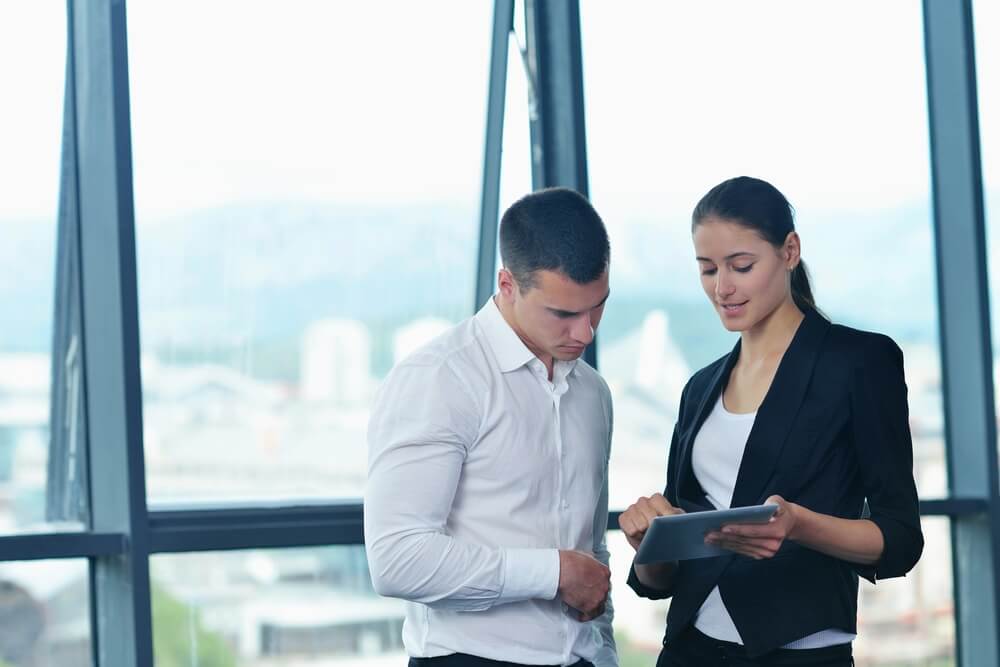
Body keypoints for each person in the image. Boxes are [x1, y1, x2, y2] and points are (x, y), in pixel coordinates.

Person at [619, 176, 923, 667]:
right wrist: (651, 543)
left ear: (790, 251)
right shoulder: (699, 387)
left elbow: (901, 539)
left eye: (741, 266)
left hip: (799, 654)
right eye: (707, 270)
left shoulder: (860, 362)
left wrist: (799, 525)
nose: (722, 287)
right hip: (689, 651)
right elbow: (668, 573)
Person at [365, 187, 618, 667]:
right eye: (563, 313)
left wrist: (604, 653)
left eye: (597, 306)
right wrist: (554, 572)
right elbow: (398, 560)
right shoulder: (439, 378)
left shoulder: (594, 392)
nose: (585, 332)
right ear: (507, 284)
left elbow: (591, 548)